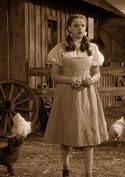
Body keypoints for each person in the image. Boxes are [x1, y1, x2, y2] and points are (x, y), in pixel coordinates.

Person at [44, 14, 109, 177]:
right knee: (67, 133)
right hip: (67, 94)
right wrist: (69, 80)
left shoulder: (92, 48)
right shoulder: (60, 48)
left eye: (83, 26)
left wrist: (91, 80)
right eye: (76, 25)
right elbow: (54, 75)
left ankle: (88, 173)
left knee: (89, 134)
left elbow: (97, 74)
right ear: (69, 28)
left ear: (86, 29)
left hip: (87, 95)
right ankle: (66, 168)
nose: (80, 28)